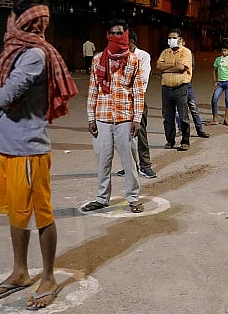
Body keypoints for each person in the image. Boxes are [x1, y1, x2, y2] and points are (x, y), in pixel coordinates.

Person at [0, 0, 78, 310]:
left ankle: (48, 277)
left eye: (11, 16)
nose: (7, 21)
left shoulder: (34, 54)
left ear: (21, 20)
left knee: (41, 215)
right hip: (8, 148)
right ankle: (20, 272)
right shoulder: (14, 52)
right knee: (15, 212)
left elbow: (3, 97)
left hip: (29, 151)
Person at [82, 20, 145, 213]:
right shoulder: (98, 60)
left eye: (120, 33)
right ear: (107, 35)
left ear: (126, 35)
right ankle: (102, 198)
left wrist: (137, 119)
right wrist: (91, 118)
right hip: (102, 117)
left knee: (129, 162)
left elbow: (138, 92)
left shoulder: (133, 60)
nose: (116, 37)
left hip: (125, 118)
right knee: (103, 160)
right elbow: (93, 90)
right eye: (112, 33)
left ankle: (133, 197)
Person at [116, 30, 156, 179]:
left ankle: (145, 165)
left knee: (140, 132)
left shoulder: (143, 56)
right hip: (122, 99)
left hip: (137, 98)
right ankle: (129, 165)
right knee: (124, 134)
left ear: (132, 42)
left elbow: (143, 78)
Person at [154, 29, 192, 151]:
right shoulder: (165, 52)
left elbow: (181, 67)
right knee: (168, 117)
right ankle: (170, 140)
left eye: (174, 38)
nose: (171, 40)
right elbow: (158, 65)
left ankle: (185, 141)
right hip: (166, 88)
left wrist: (166, 69)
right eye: (170, 38)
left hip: (180, 88)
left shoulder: (186, 52)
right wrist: (173, 66)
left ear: (180, 39)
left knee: (183, 116)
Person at [177, 37, 210, 138]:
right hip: (176, 85)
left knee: (193, 108)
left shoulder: (188, 53)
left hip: (187, 84)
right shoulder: (171, 53)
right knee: (178, 110)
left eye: (179, 41)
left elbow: (190, 67)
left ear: (183, 42)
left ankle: (199, 130)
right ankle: (181, 129)